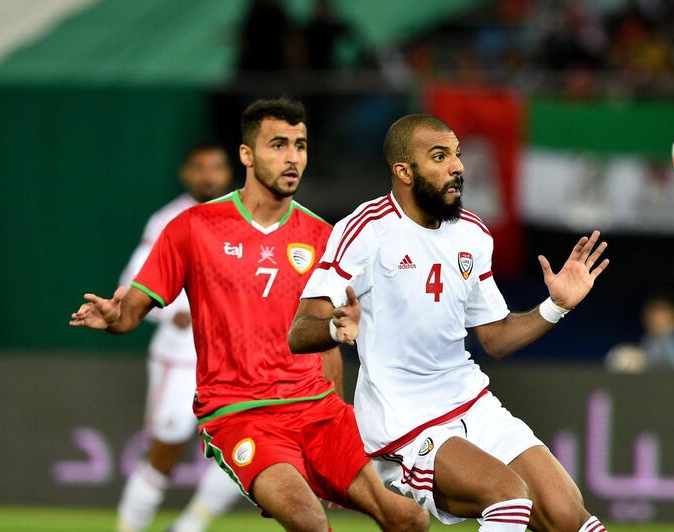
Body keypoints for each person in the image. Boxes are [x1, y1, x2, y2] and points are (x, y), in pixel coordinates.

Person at [71, 98, 428, 532]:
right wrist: (114, 316)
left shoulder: (323, 237)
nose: (292, 157)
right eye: (278, 144)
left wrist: (337, 412)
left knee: (409, 518)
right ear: (246, 155)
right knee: (309, 523)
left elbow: (324, 338)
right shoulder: (192, 227)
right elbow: (130, 315)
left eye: (300, 145)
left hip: (317, 411)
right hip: (242, 413)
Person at [290, 114, 610, 532]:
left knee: (570, 516)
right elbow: (299, 332)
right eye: (439, 156)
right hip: (403, 421)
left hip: (470, 402)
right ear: (403, 171)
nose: (457, 166)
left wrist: (555, 305)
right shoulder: (365, 231)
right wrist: (336, 327)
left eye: (456, 154)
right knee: (509, 496)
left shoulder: (472, 234)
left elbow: (495, 338)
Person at [114, 141, 240, 532]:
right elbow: (129, 288)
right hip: (181, 359)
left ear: (229, 171)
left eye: (216, 167)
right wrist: (172, 310)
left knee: (246, 453)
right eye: (200, 168)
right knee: (164, 454)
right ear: (186, 173)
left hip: (234, 359)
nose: (208, 176)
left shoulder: (244, 218)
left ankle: (189, 526)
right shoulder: (167, 220)